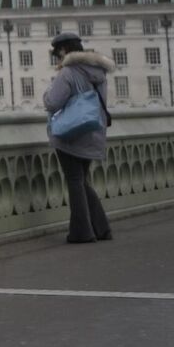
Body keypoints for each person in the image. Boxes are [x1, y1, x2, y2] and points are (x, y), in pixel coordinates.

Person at [41, 31, 114, 243]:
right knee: (82, 181)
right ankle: (101, 228)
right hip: (93, 131)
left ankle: (82, 232)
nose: (58, 58)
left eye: (58, 54)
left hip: (71, 134)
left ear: (63, 50)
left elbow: (53, 102)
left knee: (75, 181)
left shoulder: (68, 73)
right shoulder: (99, 72)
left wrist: (46, 94)